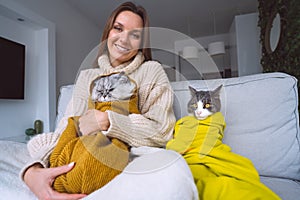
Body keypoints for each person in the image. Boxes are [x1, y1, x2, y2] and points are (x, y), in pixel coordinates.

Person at [21, 2, 176, 199]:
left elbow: (162, 131)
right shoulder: (87, 76)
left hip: (126, 162)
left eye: (135, 35)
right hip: (80, 156)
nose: (124, 39)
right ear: (108, 32)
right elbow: (65, 131)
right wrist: (33, 171)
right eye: (118, 28)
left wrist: (108, 121)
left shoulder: (152, 70)